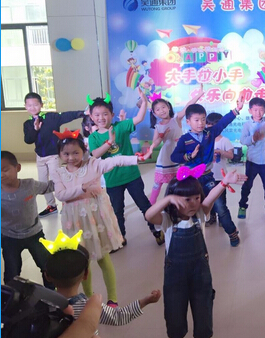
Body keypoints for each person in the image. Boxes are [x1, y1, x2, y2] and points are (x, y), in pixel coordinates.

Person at [145, 164, 247, 338]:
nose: (193, 203)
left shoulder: (200, 214)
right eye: (187, 199)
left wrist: (224, 182)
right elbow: (149, 215)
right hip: (175, 275)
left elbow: (211, 197)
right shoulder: (168, 220)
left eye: (197, 198)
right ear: (175, 201)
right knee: (174, 306)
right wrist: (167, 199)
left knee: (203, 305)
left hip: (200, 272)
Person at [50, 129, 145, 306]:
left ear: (83, 150)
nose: (71, 157)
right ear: (60, 155)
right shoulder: (58, 172)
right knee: (82, 260)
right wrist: (83, 188)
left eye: (76, 153)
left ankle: (112, 298)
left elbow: (115, 161)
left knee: (103, 258)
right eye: (66, 154)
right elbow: (61, 195)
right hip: (75, 220)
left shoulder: (92, 164)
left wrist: (136, 159)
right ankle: (88, 297)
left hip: (96, 218)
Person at [88, 89, 164, 248]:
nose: (101, 118)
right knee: (117, 211)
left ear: (112, 114)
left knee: (144, 205)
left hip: (132, 175)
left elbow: (139, 118)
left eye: (105, 114)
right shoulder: (93, 137)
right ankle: (120, 237)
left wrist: (144, 102)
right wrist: (109, 142)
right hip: (112, 180)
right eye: (97, 115)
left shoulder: (121, 126)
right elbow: (95, 154)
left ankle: (156, 231)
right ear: (91, 117)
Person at [171, 96, 244, 246]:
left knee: (220, 206)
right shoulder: (184, 139)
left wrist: (237, 110)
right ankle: (191, 238)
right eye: (196, 120)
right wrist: (189, 156)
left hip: (208, 177)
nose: (201, 123)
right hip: (191, 181)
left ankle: (232, 232)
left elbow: (223, 122)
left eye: (203, 119)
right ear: (188, 121)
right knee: (190, 209)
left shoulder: (210, 133)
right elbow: (174, 157)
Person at [44, 242, 161, 325]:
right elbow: (119, 317)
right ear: (86, 275)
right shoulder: (89, 306)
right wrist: (146, 301)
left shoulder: (43, 305)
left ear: (47, 276)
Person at [23, 92, 85, 217]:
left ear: (41, 105)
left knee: (57, 180)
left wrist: (83, 113)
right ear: (25, 106)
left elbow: (67, 115)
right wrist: (35, 129)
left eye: (35, 104)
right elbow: (28, 140)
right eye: (29, 105)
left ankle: (66, 203)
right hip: (40, 157)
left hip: (53, 156)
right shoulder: (27, 124)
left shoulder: (51, 117)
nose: (32, 107)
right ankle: (51, 206)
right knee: (43, 183)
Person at [1, 150, 55, 289]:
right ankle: (12, 296)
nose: (1, 175)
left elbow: (49, 186)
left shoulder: (30, 185)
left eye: (5, 170)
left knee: (48, 267)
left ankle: (51, 294)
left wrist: (68, 177)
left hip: (34, 234)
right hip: (9, 237)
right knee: (12, 273)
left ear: (17, 168)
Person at [146, 86, 204, 204]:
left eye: (163, 107)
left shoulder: (176, 118)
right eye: (158, 109)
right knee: (158, 182)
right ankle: (151, 204)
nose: (162, 110)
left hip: (179, 151)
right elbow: (155, 143)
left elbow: (188, 106)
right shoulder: (158, 126)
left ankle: (178, 202)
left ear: (168, 107)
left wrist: (198, 95)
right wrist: (161, 136)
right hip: (166, 155)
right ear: (154, 113)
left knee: (179, 180)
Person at [205, 113, 237, 240]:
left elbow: (231, 156)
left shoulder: (225, 141)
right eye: (208, 124)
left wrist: (221, 152)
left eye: (213, 125)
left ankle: (222, 219)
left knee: (221, 201)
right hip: (208, 176)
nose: (210, 127)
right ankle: (212, 216)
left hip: (221, 176)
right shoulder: (206, 140)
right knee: (209, 197)